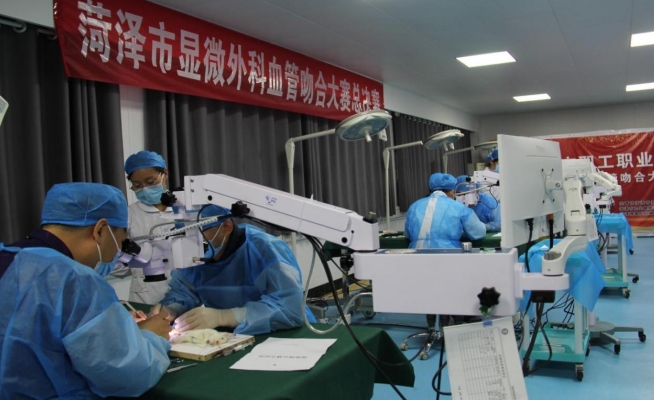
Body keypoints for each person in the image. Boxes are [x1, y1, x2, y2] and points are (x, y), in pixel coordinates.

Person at [0, 183, 172, 398]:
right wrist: (151, 336)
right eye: (121, 242)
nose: (118, 252)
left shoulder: (8, 257)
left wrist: (113, 327)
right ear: (100, 230)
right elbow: (127, 375)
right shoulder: (73, 280)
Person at [150, 205, 316, 336]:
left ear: (226, 227)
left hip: (289, 333)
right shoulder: (195, 257)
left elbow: (289, 309)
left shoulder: (263, 249)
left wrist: (225, 317)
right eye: (184, 234)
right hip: (233, 337)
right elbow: (184, 293)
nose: (190, 242)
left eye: (197, 233)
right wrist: (171, 310)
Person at [124, 150, 175, 304]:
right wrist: (137, 267)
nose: (145, 189)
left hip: (185, 291)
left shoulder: (185, 209)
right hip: (144, 296)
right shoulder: (129, 214)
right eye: (137, 185)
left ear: (164, 174)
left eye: (151, 182)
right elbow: (115, 260)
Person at [405, 173, 486, 248]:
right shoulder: (459, 207)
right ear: (451, 192)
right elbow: (479, 232)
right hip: (447, 254)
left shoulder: (414, 206)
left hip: (416, 255)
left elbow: (408, 234)